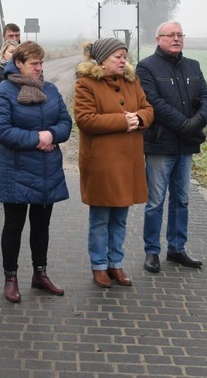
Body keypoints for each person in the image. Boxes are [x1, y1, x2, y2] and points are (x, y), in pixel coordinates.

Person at [0, 41, 72, 303]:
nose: (39, 68)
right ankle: (10, 278)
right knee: (13, 226)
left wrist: (51, 134)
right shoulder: (3, 92)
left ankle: (40, 274)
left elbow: (65, 123)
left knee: (41, 226)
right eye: (34, 64)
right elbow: (1, 130)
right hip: (16, 170)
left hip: (47, 170)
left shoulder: (50, 90)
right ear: (19, 64)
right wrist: (39, 139)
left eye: (41, 63)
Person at [74, 38, 154, 288]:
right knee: (100, 218)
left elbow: (148, 109)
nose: (123, 60)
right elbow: (85, 120)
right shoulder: (86, 84)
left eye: (124, 56)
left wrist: (139, 119)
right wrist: (124, 121)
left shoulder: (133, 81)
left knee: (120, 217)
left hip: (128, 162)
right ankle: (99, 266)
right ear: (102, 60)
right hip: (101, 165)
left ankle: (115, 263)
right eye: (117, 56)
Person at [136, 21, 207, 273]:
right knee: (156, 201)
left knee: (181, 200)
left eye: (180, 34)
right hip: (161, 144)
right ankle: (152, 251)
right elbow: (154, 102)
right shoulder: (146, 67)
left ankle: (177, 248)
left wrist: (197, 122)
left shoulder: (193, 66)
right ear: (158, 38)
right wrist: (184, 124)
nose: (176, 38)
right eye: (171, 35)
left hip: (186, 145)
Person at [0, 39, 19, 197]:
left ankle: (12, 179)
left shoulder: (21, 74)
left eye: (16, 52)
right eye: (10, 51)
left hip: (18, 116)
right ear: (3, 53)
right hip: (1, 116)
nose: (12, 55)